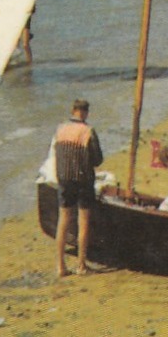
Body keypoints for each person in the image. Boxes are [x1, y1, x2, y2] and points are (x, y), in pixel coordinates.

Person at [52, 99, 104, 277]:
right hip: (83, 180)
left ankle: (60, 266)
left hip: (64, 178)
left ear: (73, 110)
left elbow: (55, 152)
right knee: (83, 221)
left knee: (63, 220)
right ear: (86, 113)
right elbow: (97, 159)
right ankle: (81, 265)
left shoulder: (60, 129)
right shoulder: (88, 131)